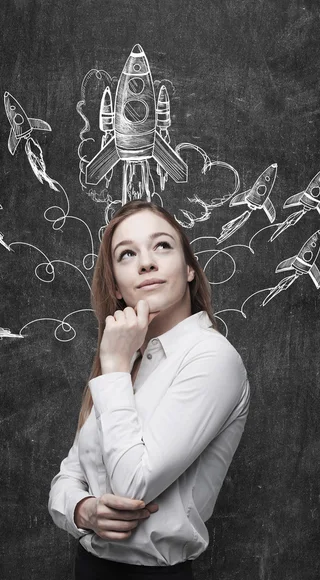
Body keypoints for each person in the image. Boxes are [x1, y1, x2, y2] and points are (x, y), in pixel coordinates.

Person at [48, 200, 250, 580]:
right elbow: (66, 480)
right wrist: (83, 510)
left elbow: (132, 485)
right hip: (88, 569)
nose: (146, 262)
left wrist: (113, 369)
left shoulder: (211, 358)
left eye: (162, 246)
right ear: (116, 287)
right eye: (127, 254)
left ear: (189, 268)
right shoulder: (128, 362)